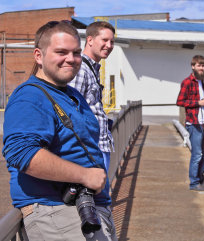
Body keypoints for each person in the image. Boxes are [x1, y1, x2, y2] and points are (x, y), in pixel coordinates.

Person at [2, 21, 117, 240]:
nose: (71, 59)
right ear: (39, 56)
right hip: (57, 211)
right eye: (61, 52)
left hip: (85, 210)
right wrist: (84, 175)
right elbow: (22, 153)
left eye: (75, 52)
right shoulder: (30, 96)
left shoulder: (71, 93)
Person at [69, 21, 115, 172]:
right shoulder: (81, 69)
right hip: (90, 151)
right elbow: (71, 112)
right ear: (89, 40)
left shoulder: (92, 68)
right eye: (104, 40)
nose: (109, 45)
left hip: (97, 147)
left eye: (112, 41)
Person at [176, 55, 204, 192]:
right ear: (193, 66)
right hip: (194, 123)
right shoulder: (187, 82)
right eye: (199, 65)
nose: (202, 68)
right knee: (197, 154)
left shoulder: (201, 82)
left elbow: (201, 101)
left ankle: (200, 178)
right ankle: (194, 183)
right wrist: (198, 103)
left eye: (203, 65)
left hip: (203, 122)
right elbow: (180, 101)